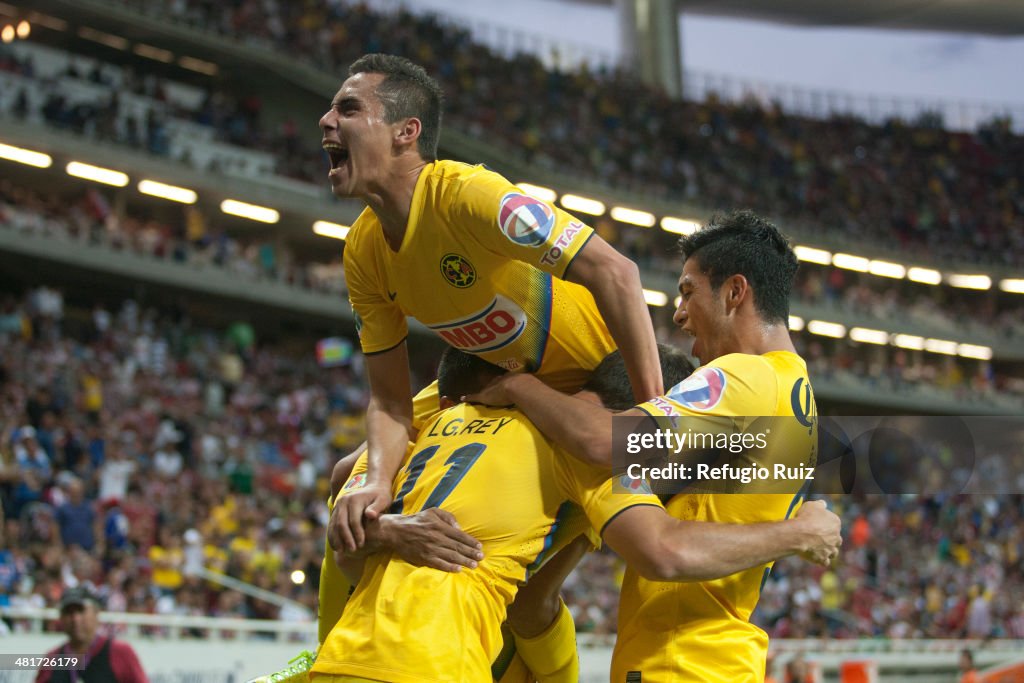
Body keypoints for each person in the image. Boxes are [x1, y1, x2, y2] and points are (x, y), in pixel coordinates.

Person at [310, 346, 841, 683]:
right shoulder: (591, 458)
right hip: (435, 663)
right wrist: (798, 532)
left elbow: (342, 485)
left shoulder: (449, 414)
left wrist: (385, 528)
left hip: (339, 655)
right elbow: (661, 550)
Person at [319, 53, 664, 553]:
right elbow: (391, 402)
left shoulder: (470, 197)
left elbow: (617, 271)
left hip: (600, 379)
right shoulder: (362, 250)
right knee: (346, 480)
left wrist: (654, 411)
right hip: (499, 383)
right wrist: (377, 483)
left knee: (755, 463)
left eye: (348, 109)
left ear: (405, 131)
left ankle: (812, 468)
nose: (326, 120)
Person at [466, 210, 827, 681]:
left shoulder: (746, 377)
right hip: (717, 660)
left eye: (688, 291)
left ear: (735, 292)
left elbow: (604, 442)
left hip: (679, 663)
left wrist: (519, 387)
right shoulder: (798, 397)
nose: (678, 314)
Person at [35, 586, 148, 683]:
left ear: (96, 614)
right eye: (69, 612)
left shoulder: (120, 652)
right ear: (61, 618)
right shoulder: (52, 659)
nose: (75, 619)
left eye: (81, 611)